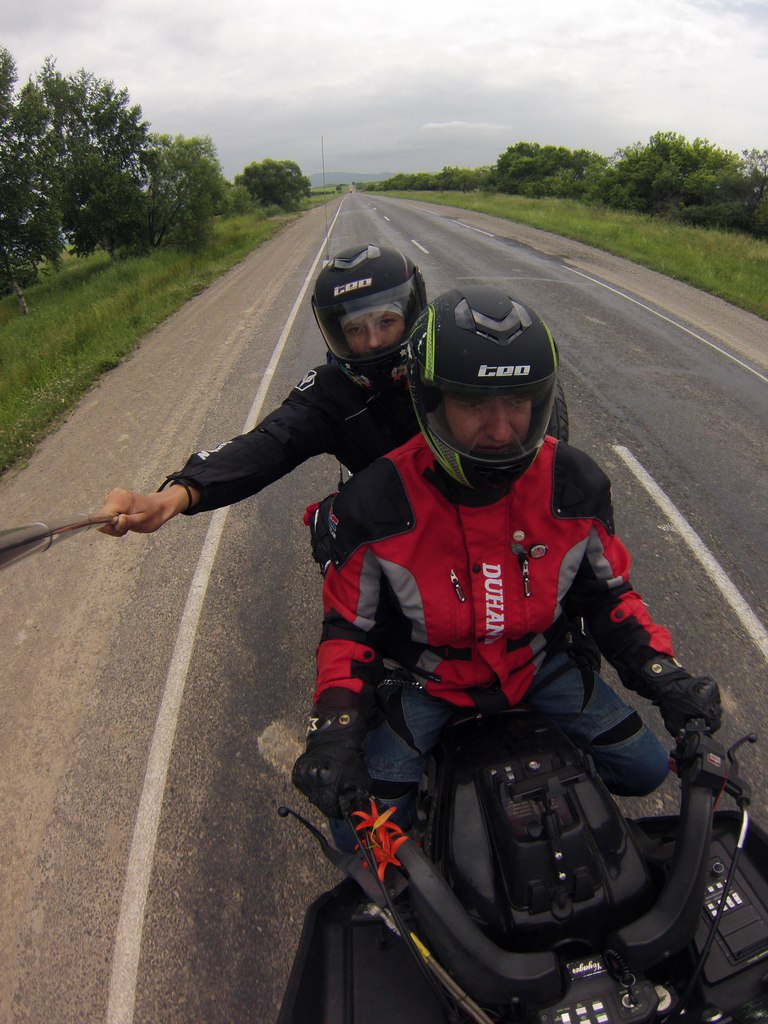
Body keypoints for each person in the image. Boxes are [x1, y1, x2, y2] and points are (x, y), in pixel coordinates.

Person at [291, 285, 722, 848]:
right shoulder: (374, 503)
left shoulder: (574, 483)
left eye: (517, 403)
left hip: (537, 666)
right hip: (429, 681)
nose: (500, 431)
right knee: (356, 835)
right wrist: (336, 732)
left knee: (643, 771)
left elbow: (609, 598)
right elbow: (348, 630)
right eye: (473, 404)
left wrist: (669, 681)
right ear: (430, 400)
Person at [98, 244, 428, 535]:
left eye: (386, 322)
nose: (372, 341)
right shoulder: (333, 390)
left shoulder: (446, 360)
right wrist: (175, 496)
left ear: (410, 316)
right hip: (395, 528)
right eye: (355, 329)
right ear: (339, 336)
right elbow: (270, 442)